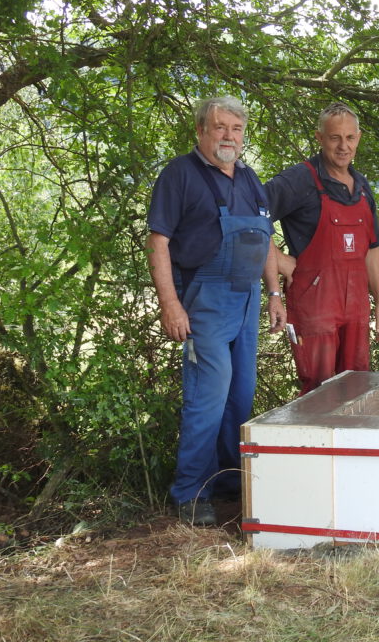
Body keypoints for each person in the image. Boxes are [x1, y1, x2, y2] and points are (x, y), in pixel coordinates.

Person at [147, 96, 286, 526]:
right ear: (201, 131)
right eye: (220, 127)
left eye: (236, 129)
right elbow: (158, 241)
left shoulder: (249, 178)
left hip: (246, 301)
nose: (229, 136)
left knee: (240, 396)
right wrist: (170, 304)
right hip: (204, 300)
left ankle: (227, 483)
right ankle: (190, 492)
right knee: (208, 398)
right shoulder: (180, 174)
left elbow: (263, 240)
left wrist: (275, 293)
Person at [265, 102, 379, 395]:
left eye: (349, 137)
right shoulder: (299, 179)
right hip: (314, 305)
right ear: (320, 138)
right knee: (317, 392)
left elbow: (373, 249)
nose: (343, 146)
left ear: (358, 138)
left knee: (358, 387)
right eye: (335, 138)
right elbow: (250, 214)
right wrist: (279, 261)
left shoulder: (361, 186)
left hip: (356, 307)